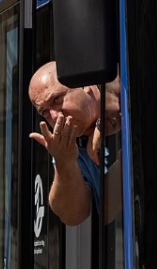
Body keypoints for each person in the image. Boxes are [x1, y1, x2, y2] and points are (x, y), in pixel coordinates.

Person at [28, 61, 122, 225]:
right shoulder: (67, 143)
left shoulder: (120, 76)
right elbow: (73, 216)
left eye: (56, 99)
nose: (55, 117)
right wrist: (65, 163)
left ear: (84, 83)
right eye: (45, 112)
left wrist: (104, 122)